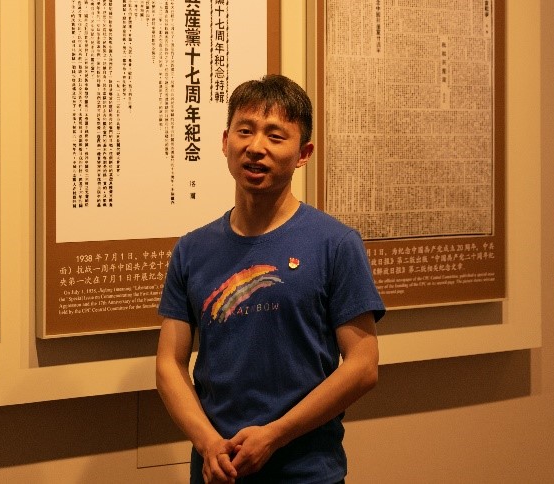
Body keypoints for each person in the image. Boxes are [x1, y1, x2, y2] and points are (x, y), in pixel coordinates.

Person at [156, 74, 385, 484]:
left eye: (276, 136)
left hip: (307, 472)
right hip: (217, 471)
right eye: (245, 131)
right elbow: (169, 363)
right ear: (225, 141)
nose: (256, 147)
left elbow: (363, 366)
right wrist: (208, 443)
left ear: (303, 153)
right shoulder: (191, 249)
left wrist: (274, 436)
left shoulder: (336, 243)